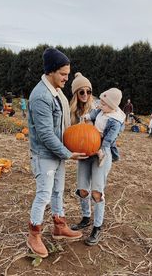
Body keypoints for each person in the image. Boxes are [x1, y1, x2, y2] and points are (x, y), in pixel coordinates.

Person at [27, 47, 87, 258]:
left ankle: (59, 226)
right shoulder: (40, 96)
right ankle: (34, 234)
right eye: (63, 74)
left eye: (68, 74)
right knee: (44, 194)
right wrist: (68, 153)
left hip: (59, 153)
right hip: (45, 155)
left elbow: (65, 121)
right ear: (51, 71)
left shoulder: (58, 92)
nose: (66, 78)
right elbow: (44, 134)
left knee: (58, 191)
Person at [71, 88, 125, 246]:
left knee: (96, 192)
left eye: (104, 103)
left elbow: (109, 139)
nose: (99, 104)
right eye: (100, 102)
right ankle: (86, 217)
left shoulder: (115, 120)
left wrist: (100, 148)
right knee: (82, 190)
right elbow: (93, 114)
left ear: (112, 106)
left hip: (102, 152)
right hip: (86, 150)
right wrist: (86, 118)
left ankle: (97, 227)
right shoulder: (100, 109)